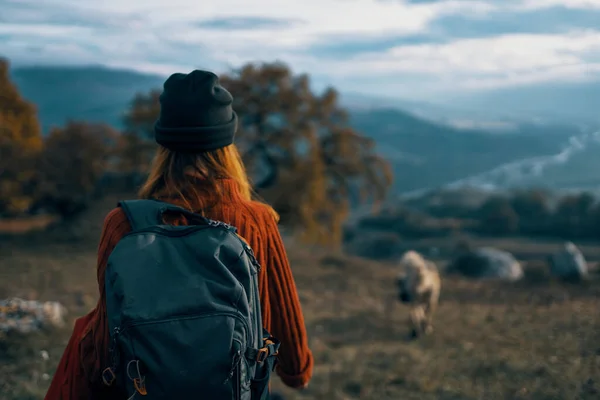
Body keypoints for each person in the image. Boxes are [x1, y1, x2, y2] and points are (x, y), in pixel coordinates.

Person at [44, 70, 314, 400]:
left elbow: (104, 345)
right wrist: (296, 372)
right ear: (227, 145)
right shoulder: (257, 221)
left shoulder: (122, 225)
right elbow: (294, 357)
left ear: (164, 145)